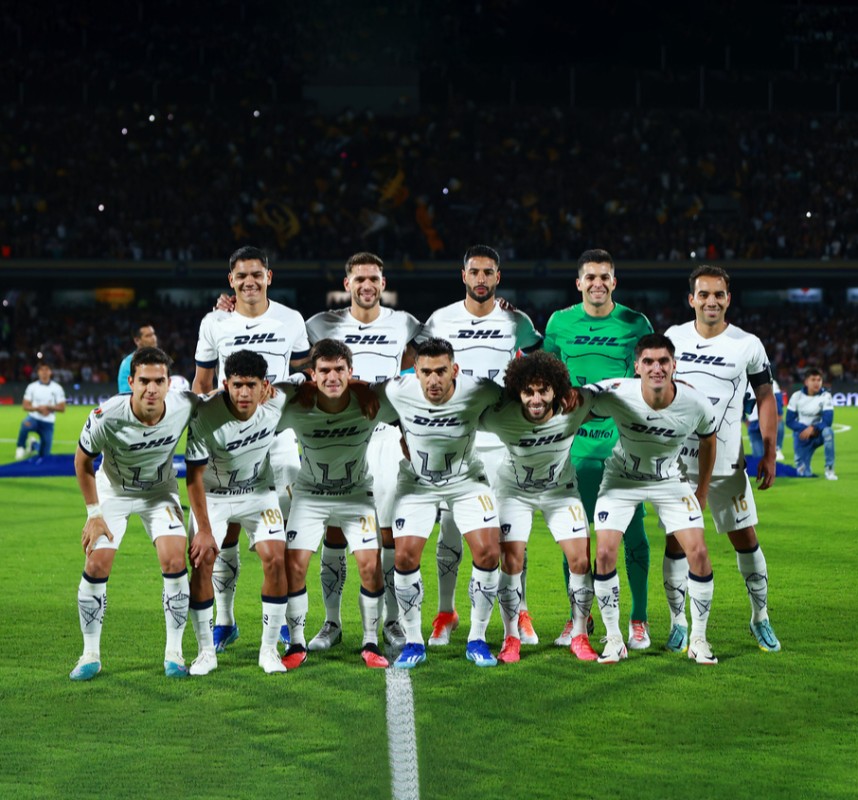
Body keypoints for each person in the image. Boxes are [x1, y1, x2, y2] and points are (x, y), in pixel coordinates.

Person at [417, 244, 543, 647]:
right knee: (450, 528)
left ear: (498, 277)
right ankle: (446, 612)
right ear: (464, 275)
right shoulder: (441, 319)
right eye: (475, 272)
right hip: (457, 440)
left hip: (504, 441)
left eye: (488, 272)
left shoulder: (517, 321)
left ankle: (519, 610)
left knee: (511, 533)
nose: (481, 279)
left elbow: (535, 371)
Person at [193, 245, 310, 652]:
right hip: (229, 443)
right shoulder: (215, 322)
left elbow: (304, 377)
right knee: (225, 532)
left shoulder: (291, 320)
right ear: (231, 280)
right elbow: (202, 383)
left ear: (268, 277)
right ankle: (225, 620)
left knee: (281, 537)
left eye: (256, 274)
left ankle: (283, 622)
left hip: (278, 442)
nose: (249, 282)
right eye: (241, 276)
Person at [303, 252, 421, 652]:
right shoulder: (320, 324)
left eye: (373, 279)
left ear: (383, 284)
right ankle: (332, 622)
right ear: (347, 283)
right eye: (359, 279)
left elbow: (440, 344)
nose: (367, 285)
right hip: (337, 435)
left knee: (387, 532)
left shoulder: (404, 323)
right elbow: (289, 354)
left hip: (384, 435)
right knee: (335, 529)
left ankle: (391, 621)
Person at [666, 264, 781, 653]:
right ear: (692, 299)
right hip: (679, 465)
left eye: (718, 294)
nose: (711, 301)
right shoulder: (674, 338)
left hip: (727, 465)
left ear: (728, 299)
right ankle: (678, 622)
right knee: (676, 542)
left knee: (745, 539)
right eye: (704, 294)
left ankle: (760, 617)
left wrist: (769, 451)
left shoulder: (747, 344)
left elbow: (765, 397)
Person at [543, 248, 654, 650]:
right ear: (579, 283)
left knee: (633, 533)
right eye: (590, 277)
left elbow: (648, 380)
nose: (597, 283)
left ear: (614, 282)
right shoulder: (559, 322)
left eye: (604, 277)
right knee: (575, 537)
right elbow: (547, 378)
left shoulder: (635, 323)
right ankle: (580, 619)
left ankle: (638, 619)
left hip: (621, 448)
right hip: (573, 449)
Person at [586, 334, 719, 665]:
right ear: (637, 366)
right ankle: (614, 639)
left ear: (674, 365)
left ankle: (699, 639)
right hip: (621, 479)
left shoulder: (696, 403)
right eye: (648, 361)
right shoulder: (619, 391)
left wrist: (702, 491)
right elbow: (579, 402)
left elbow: (708, 440)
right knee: (604, 553)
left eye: (663, 361)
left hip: (669, 481)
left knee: (699, 553)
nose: (656, 368)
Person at [69, 347, 198, 681]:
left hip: (160, 492)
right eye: (144, 381)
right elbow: (82, 461)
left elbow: (223, 401)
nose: (151, 389)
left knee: (174, 559)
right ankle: (90, 654)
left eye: (159, 381)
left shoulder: (185, 405)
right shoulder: (107, 415)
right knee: (97, 564)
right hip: (114, 492)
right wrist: (94, 513)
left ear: (169, 383)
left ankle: (174, 653)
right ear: (131, 382)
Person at [375, 337, 504, 669]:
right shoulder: (398, 389)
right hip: (417, 482)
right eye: (426, 372)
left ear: (455, 370)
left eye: (441, 371)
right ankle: (413, 641)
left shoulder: (480, 390)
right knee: (404, 555)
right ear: (415, 372)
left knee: (489, 552)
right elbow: (358, 398)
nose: (433, 380)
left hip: (466, 480)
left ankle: (477, 638)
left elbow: (519, 401)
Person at [278, 339, 393, 669]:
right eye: (324, 370)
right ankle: (296, 643)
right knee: (294, 566)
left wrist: (365, 388)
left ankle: (370, 642)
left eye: (340, 369)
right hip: (310, 496)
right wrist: (298, 385)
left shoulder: (371, 402)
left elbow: (411, 395)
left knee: (370, 565)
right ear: (312, 374)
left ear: (350, 371)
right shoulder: (296, 407)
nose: (332, 377)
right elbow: (264, 398)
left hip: (356, 495)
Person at [480, 351, 598, 663]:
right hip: (514, 493)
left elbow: (612, 396)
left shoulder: (574, 408)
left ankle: (580, 635)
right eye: (528, 391)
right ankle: (511, 638)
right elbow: (462, 416)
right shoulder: (500, 417)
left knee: (580, 560)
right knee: (511, 561)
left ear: (556, 390)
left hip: (561, 492)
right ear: (517, 391)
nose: (535, 399)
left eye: (543, 390)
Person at [184, 350, 292, 676]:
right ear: (225, 384)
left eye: (251, 385)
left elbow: (310, 381)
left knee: (276, 559)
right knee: (202, 560)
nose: (244, 393)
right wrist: (204, 531)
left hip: (259, 494)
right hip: (213, 497)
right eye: (237, 385)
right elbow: (194, 478)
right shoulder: (205, 416)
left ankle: (269, 650)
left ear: (265, 386)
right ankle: (206, 652)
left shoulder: (277, 403)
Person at [786, 368, 837, 480]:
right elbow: (789, 421)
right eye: (813, 380)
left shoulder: (826, 396)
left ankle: (829, 469)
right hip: (802, 435)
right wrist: (805, 429)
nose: (816, 383)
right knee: (803, 473)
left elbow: (828, 421)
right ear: (806, 382)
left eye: (819, 380)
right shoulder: (796, 396)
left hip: (818, 434)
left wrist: (813, 428)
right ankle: (804, 468)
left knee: (828, 432)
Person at [16, 362, 66, 460]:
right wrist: (38, 409)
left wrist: (48, 407)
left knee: (44, 456)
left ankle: (34, 444)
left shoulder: (57, 388)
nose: (44, 372)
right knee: (25, 424)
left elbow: (62, 408)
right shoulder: (32, 386)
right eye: (41, 370)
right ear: (38, 372)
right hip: (34, 418)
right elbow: (25, 406)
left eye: (46, 369)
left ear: (50, 372)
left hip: (48, 422)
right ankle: (20, 447)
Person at [747, 379, 785, 462]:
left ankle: (776, 448)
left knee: (779, 425)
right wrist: (744, 419)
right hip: (753, 421)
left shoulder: (770, 381)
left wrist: (779, 413)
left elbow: (777, 397)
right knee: (758, 458)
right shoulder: (744, 383)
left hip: (768, 417)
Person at [117, 324, 158, 394]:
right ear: (137, 340)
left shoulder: (160, 361)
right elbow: (125, 395)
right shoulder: (128, 363)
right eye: (148, 336)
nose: (153, 338)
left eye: (153, 334)